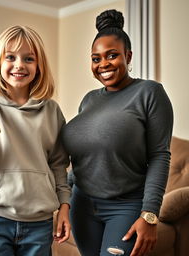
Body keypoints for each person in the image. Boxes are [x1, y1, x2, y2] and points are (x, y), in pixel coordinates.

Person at [61, 9, 173, 256]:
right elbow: (81, 159)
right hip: (82, 205)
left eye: (112, 55)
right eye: (96, 58)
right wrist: (63, 201)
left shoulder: (149, 93)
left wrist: (150, 215)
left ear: (128, 55)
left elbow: (159, 156)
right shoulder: (89, 100)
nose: (103, 64)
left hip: (125, 206)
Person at [0, 25, 71, 256]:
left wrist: (64, 208)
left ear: (39, 66)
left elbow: (59, 165)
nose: (19, 65)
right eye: (10, 57)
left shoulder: (52, 111)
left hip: (39, 223)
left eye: (29, 58)